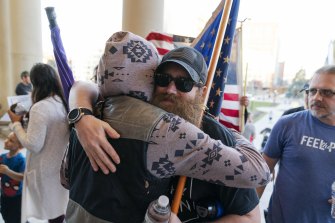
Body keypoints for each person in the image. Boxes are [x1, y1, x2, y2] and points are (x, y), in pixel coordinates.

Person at [66, 32, 268, 222]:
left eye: (184, 83)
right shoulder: (93, 119)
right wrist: (82, 113)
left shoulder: (216, 136)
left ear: (201, 92)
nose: (170, 89)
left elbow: (251, 217)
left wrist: (232, 134)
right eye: (163, 79)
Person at [257, 65, 335, 223]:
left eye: (327, 92)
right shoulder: (288, 124)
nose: (316, 97)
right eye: (313, 91)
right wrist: (247, 214)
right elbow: (260, 174)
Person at [7, 63, 69, 223]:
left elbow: (33, 144)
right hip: (60, 169)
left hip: (45, 171)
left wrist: (16, 124)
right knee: (58, 211)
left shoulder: (40, 107)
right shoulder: (61, 102)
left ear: (35, 83)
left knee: (51, 212)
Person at [0, 132, 25, 223]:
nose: (6, 141)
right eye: (7, 138)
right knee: (5, 214)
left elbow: (23, 177)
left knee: (16, 217)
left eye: (11, 140)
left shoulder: (21, 159)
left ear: (20, 146)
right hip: (4, 194)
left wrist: (7, 171)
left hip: (17, 197)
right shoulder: (2, 157)